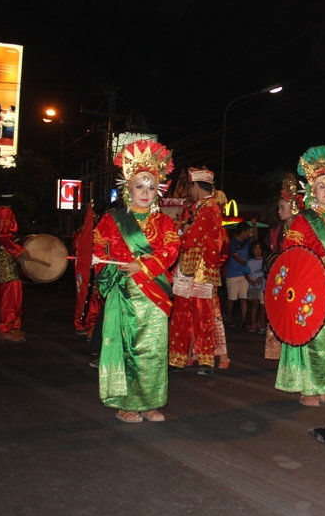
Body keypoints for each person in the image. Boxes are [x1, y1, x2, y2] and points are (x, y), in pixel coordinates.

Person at [93, 139, 180, 423]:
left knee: (154, 351)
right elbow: (98, 252)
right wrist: (111, 269)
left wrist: (140, 264)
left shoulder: (166, 223)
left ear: (158, 191)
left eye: (151, 186)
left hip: (154, 295)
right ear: (127, 188)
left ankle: (151, 402)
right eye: (139, 185)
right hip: (124, 294)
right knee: (127, 349)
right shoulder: (110, 221)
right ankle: (128, 403)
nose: (145, 192)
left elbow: (170, 250)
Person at [274, 145, 325, 407]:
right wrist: (315, 262)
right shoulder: (302, 221)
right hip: (311, 286)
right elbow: (291, 254)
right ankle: (309, 390)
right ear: (312, 189)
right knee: (310, 336)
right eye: (321, 185)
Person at [168, 167, 226, 375]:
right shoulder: (197, 207)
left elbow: (191, 238)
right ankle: (178, 358)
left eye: (190, 185)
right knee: (181, 313)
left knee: (202, 315)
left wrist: (175, 234)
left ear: (195, 186)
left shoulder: (210, 208)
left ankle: (205, 360)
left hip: (202, 270)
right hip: (187, 268)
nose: (189, 190)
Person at [0, 193, 32, 343]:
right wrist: (21, 251)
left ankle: (12, 327)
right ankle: (6, 329)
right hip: (5, 257)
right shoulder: (5, 212)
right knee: (11, 295)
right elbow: (4, 236)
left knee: (4, 294)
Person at [263, 174, 302, 360]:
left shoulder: (303, 228)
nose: (279, 211)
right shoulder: (276, 230)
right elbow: (270, 253)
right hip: (280, 276)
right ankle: (279, 351)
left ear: (293, 208)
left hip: (298, 278)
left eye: (282, 208)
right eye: (279, 208)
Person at [224, 221, 252, 328]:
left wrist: (254, 225)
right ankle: (230, 319)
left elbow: (256, 238)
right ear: (243, 232)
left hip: (243, 274)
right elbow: (236, 257)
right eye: (248, 231)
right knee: (232, 299)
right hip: (232, 274)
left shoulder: (247, 241)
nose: (249, 233)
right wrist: (248, 263)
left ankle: (243, 320)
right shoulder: (233, 242)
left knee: (243, 298)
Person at [244, 240, 266, 332]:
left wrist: (261, 278)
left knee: (262, 306)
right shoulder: (250, 262)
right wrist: (251, 281)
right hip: (253, 286)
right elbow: (245, 273)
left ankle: (262, 325)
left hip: (264, 286)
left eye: (259, 248)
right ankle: (253, 324)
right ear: (252, 251)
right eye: (255, 248)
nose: (258, 250)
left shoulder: (265, 261)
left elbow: (267, 272)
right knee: (254, 305)